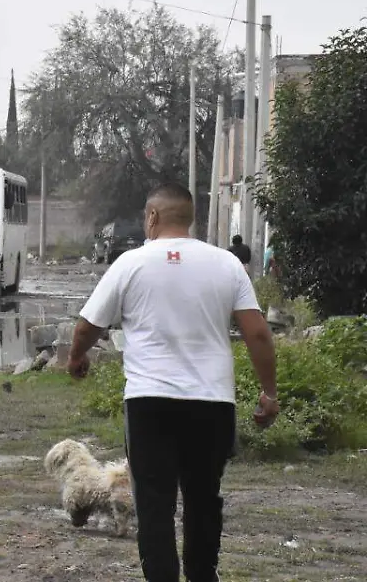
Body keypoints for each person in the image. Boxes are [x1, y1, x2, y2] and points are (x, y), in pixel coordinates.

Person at [66, 182, 279, 582]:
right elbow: (258, 334)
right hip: (212, 404)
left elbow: (87, 325)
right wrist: (269, 393)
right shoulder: (227, 264)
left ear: (151, 217)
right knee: (203, 500)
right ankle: (203, 576)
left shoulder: (130, 263)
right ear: (190, 217)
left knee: (154, 505)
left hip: (150, 404)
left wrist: (78, 358)